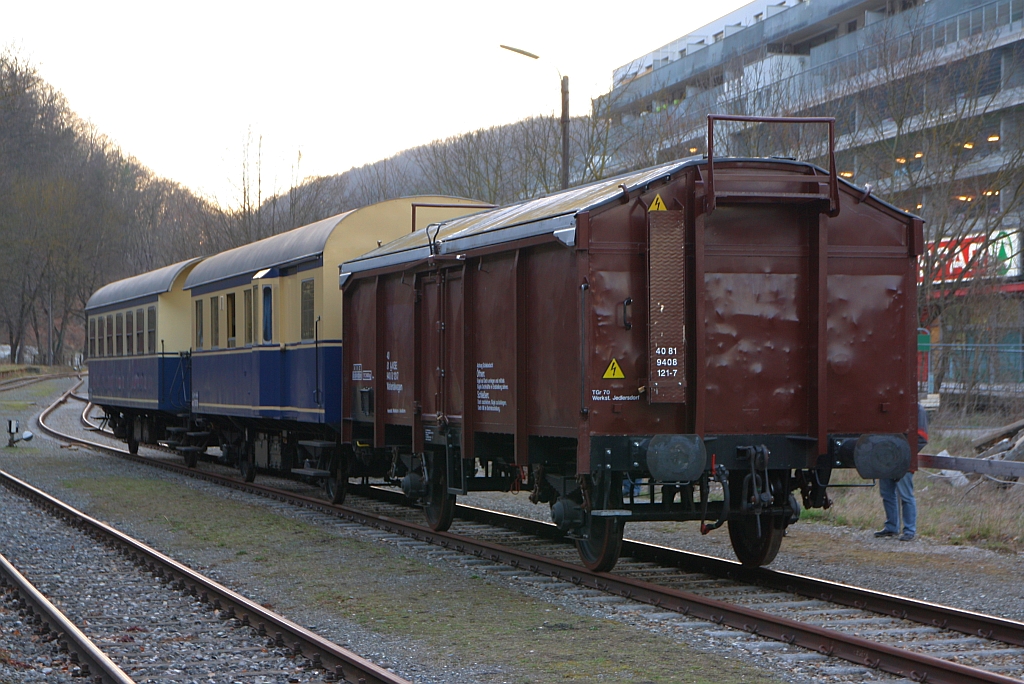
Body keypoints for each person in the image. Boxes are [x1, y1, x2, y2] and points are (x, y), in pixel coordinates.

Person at [875, 404, 928, 542]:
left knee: (906, 496)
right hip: (887, 459)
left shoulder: (918, 410)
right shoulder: (890, 406)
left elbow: (922, 438)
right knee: (886, 493)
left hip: (905, 461)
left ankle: (909, 530)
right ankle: (892, 527)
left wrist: (903, 455)